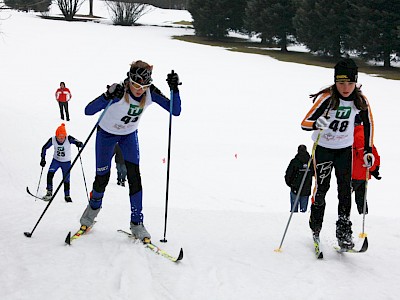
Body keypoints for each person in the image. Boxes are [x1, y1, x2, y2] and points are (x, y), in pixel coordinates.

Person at [78, 60, 182, 241]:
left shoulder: (150, 92)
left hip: (128, 136)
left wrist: (175, 89)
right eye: (135, 85)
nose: (139, 89)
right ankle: (89, 216)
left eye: (144, 86)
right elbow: (88, 111)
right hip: (106, 135)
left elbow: (176, 110)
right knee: (102, 178)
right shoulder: (119, 91)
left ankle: (137, 223)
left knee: (134, 178)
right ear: (129, 80)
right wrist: (106, 96)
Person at [301, 58, 374, 249]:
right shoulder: (327, 98)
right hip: (323, 149)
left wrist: (368, 150)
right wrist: (318, 124)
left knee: (345, 191)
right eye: (341, 83)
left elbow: (368, 124)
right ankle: (316, 227)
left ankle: (343, 233)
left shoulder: (360, 99)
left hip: (344, 150)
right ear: (335, 82)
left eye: (350, 83)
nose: (346, 87)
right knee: (322, 189)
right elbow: (304, 123)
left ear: (355, 82)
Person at [40, 123, 83, 202]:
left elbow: (78, 142)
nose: (60, 139)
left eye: (62, 137)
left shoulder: (68, 138)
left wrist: (79, 144)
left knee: (66, 179)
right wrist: (43, 159)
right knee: (50, 174)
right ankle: (49, 193)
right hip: (56, 160)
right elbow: (44, 147)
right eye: (59, 137)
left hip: (66, 162)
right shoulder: (52, 139)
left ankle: (67, 196)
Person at [352, 114, 381, 214]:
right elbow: (374, 153)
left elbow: (365, 156)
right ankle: (363, 215)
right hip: (362, 173)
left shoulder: (358, 135)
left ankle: (350, 217)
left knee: (347, 197)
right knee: (361, 198)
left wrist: (373, 169)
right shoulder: (363, 134)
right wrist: (375, 169)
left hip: (356, 173)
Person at [284, 144, 314, 213]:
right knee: (303, 211)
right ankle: (300, 222)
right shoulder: (310, 161)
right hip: (304, 190)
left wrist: (291, 185)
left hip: (296, 189)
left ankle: (296, 222)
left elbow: (288, 174)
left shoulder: (296, 161)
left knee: (294, 211)